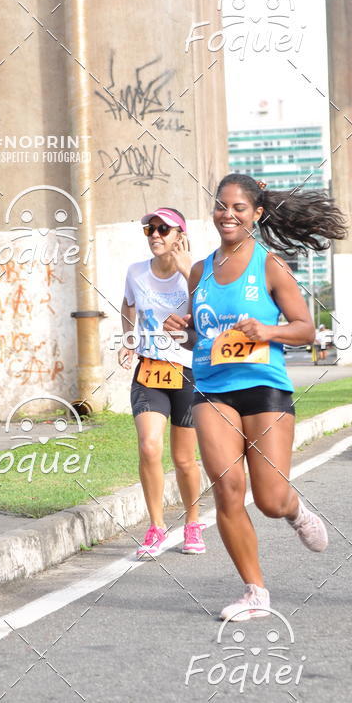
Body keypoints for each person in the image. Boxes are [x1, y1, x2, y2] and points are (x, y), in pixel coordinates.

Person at [165, 174, 347, 620]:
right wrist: (182, 332)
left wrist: (268, 330)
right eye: (221, 206)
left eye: (238, 208)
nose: (227, 215)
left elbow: (306, 329)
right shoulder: (199, 271)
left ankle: (295, 510)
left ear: (257, 214)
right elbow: (200, 337)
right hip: (212, 389)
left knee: (269, 499)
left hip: (264, 386)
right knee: (228, 488)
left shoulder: (270, 265)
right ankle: (255, 592)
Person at [119, 207, 204, 558]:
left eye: (163, 229)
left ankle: (193, 523)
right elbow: (128, 305)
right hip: (149, 372)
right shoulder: (136, 272)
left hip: (187, 373)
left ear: (179, 236)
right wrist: (129, 339)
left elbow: (208, 313)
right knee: (149, 446)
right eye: (149, 229)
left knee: (184, 460)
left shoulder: (196, 273)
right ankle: (156, 527)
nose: (155, 234)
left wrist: (187, 270)